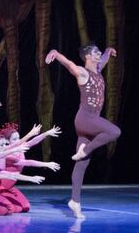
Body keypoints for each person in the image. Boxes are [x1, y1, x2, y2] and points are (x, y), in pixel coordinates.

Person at [45, 43, 121, 219]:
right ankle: (85, 150)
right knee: (114, 132)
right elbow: (70, 64)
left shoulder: (98, 70)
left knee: (81, 164)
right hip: (86, 120)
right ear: (88, 56)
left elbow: (103, 60)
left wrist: (109, 50)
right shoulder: (83, 72)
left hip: (90, 123)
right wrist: (56, 52)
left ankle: (75, 201)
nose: (99, 54)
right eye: (96, 52)